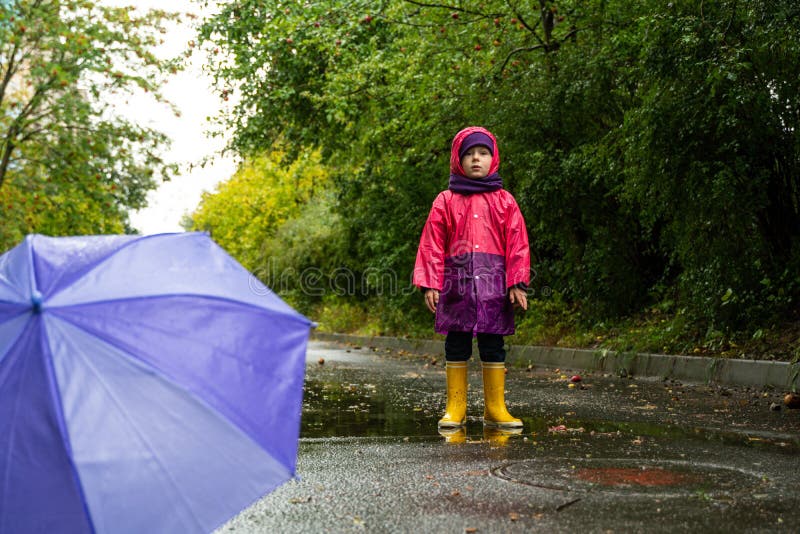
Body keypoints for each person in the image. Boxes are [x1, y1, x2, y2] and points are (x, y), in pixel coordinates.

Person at [413, 126, 530, 431]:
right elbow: (432, 244)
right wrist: (430, 282)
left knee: (493, 343)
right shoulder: (445, 201)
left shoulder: (505, 201)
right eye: (469, 154)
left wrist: (517, 282)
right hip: (456, 284)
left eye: (483, 153)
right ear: (457, 160)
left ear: (493, 159)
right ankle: (456, 407)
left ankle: (496, 408)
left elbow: (517, 243)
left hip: (494, 286)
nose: (476, 159)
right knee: (457, 342)